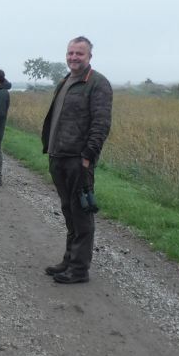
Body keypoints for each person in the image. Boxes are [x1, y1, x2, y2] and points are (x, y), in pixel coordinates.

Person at [40, 36, 113, 285]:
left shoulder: (97, 84)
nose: (73, 57)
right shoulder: (65, 81)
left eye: (79, 54)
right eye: (70, 53)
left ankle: (79, 269)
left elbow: (101, 124)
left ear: (89, 56)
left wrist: (87, 158)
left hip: (78, 160)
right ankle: (69, 260)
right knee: (68, 210)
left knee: (81, 214)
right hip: (58, 156)